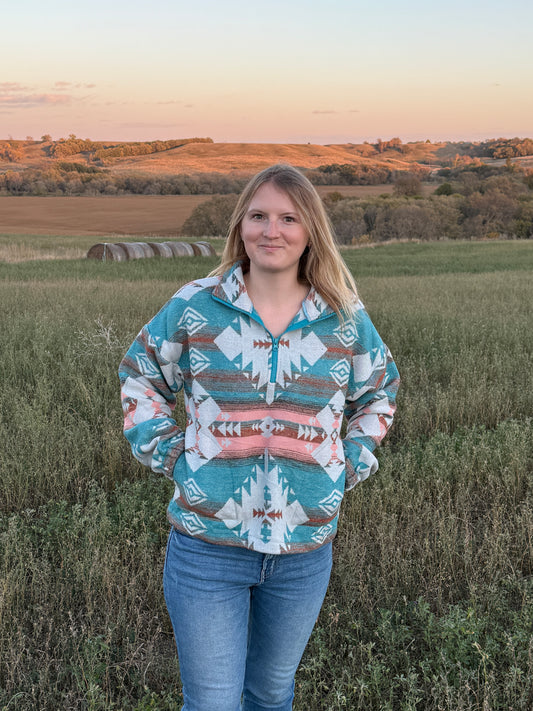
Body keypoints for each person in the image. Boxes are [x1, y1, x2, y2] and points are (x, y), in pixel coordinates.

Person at [119, 163, 400, 711]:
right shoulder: (197, 306)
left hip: (303, 551)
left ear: (310, 229)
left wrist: (346, 463)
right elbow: (141, 376)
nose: (272, 231)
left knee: (271, 695)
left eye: (289, 218)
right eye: (259, 216)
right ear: (241, 226)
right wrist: (176, 454)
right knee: (214, 703)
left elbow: (380, 393)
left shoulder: (342, 319)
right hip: (207, 550)